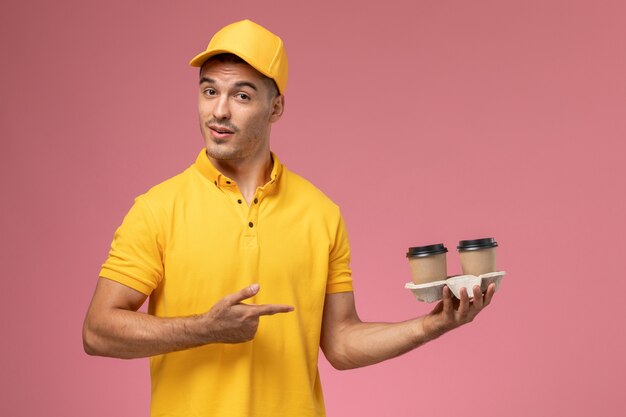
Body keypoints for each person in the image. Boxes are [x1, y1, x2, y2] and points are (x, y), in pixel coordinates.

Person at [82, 19, 496, 417]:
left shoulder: (320, 213)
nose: (219, 111)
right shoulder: (157, 209)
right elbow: (97, 331)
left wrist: (431, 325)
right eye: (209, 91)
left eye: (242, 95)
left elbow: (341, 343)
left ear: (275, 107)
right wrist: (206, 328)